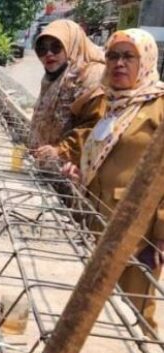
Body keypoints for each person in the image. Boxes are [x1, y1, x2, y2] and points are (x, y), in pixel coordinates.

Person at [62, 29, 164, 331]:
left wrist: (162, 232)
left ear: (145, 60)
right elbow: (101, 155)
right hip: (97, 214)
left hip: (136, 227)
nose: (119, 63)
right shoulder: (113, 103)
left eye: (128, 56)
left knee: (133, 307)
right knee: (95, 304)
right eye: (113, 56)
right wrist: (80, 172)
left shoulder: (158, 108)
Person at [30, 19, 106, 166]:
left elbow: (94, 128)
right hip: (47, 168)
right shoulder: (55, 76)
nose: (49, 54)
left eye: (56, 46)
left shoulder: (92, 76)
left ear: (72, 44)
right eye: (42, 49)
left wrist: (60, 151)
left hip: (72, 173)